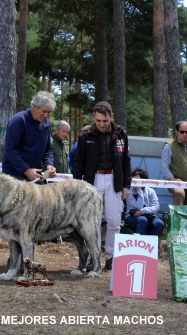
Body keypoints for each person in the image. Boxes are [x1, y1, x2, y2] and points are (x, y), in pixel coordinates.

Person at [72, 101, 131, 270]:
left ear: (111, 117)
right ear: (94, 118)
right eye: (98, 121)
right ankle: (94, 256)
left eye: (105, 121)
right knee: (93, 222)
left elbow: (126, 160)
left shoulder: (120, 133)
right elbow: (78, 163)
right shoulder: (85, 136)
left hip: (115, 180)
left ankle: (111, 257)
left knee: (114, 221)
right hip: (93, 180)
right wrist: (79, 186)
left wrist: (127, 184)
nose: (101, 124)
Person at [2, 91, 57, 181]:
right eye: (43, 111)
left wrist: (49, 164)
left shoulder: (47, 125)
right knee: (18, 196)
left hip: (35, 176)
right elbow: (11, 149)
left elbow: (48, 149)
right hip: (14, 177)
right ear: (34, 106)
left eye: (49, 112)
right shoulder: (18, 121)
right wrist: (26, 170)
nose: (46, 115)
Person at [161, 121, 187, 206]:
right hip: (175, 181)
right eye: (182, 132)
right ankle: (176, 218)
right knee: (180, 193)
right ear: (176, 132)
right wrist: (173, 180)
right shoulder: (168, 146)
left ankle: (186, 218)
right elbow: (164, 167)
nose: (184, 134)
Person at [124, 168, 165, 236]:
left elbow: (156, 207)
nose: (135, 182)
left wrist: (143, 211)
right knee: (142, 220)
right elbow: (138, 206)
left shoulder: (151, 191)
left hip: (149, 216)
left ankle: (151, 244)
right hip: (132, 216)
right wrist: (139, 190)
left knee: (160, 223)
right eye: (133, 180)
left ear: (143, 181)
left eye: (137, 180)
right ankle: (138, 243)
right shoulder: (129, 191)